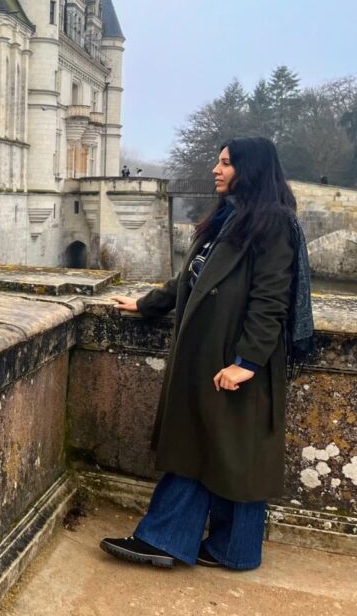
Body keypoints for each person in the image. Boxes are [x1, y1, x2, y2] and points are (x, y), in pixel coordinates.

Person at [101, 136, 312, 571]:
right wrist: (146, 304)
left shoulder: (272, 223)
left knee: (223, 451)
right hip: (208, 353)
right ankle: (230, 550)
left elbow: (270, 299)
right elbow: (190, 280)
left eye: (226, 163)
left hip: (233, 356)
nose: (216, 170)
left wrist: (247, 362)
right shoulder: (228, 218)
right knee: (227, 452)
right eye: (218, 162)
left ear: (250, 170)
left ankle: (166, 537)